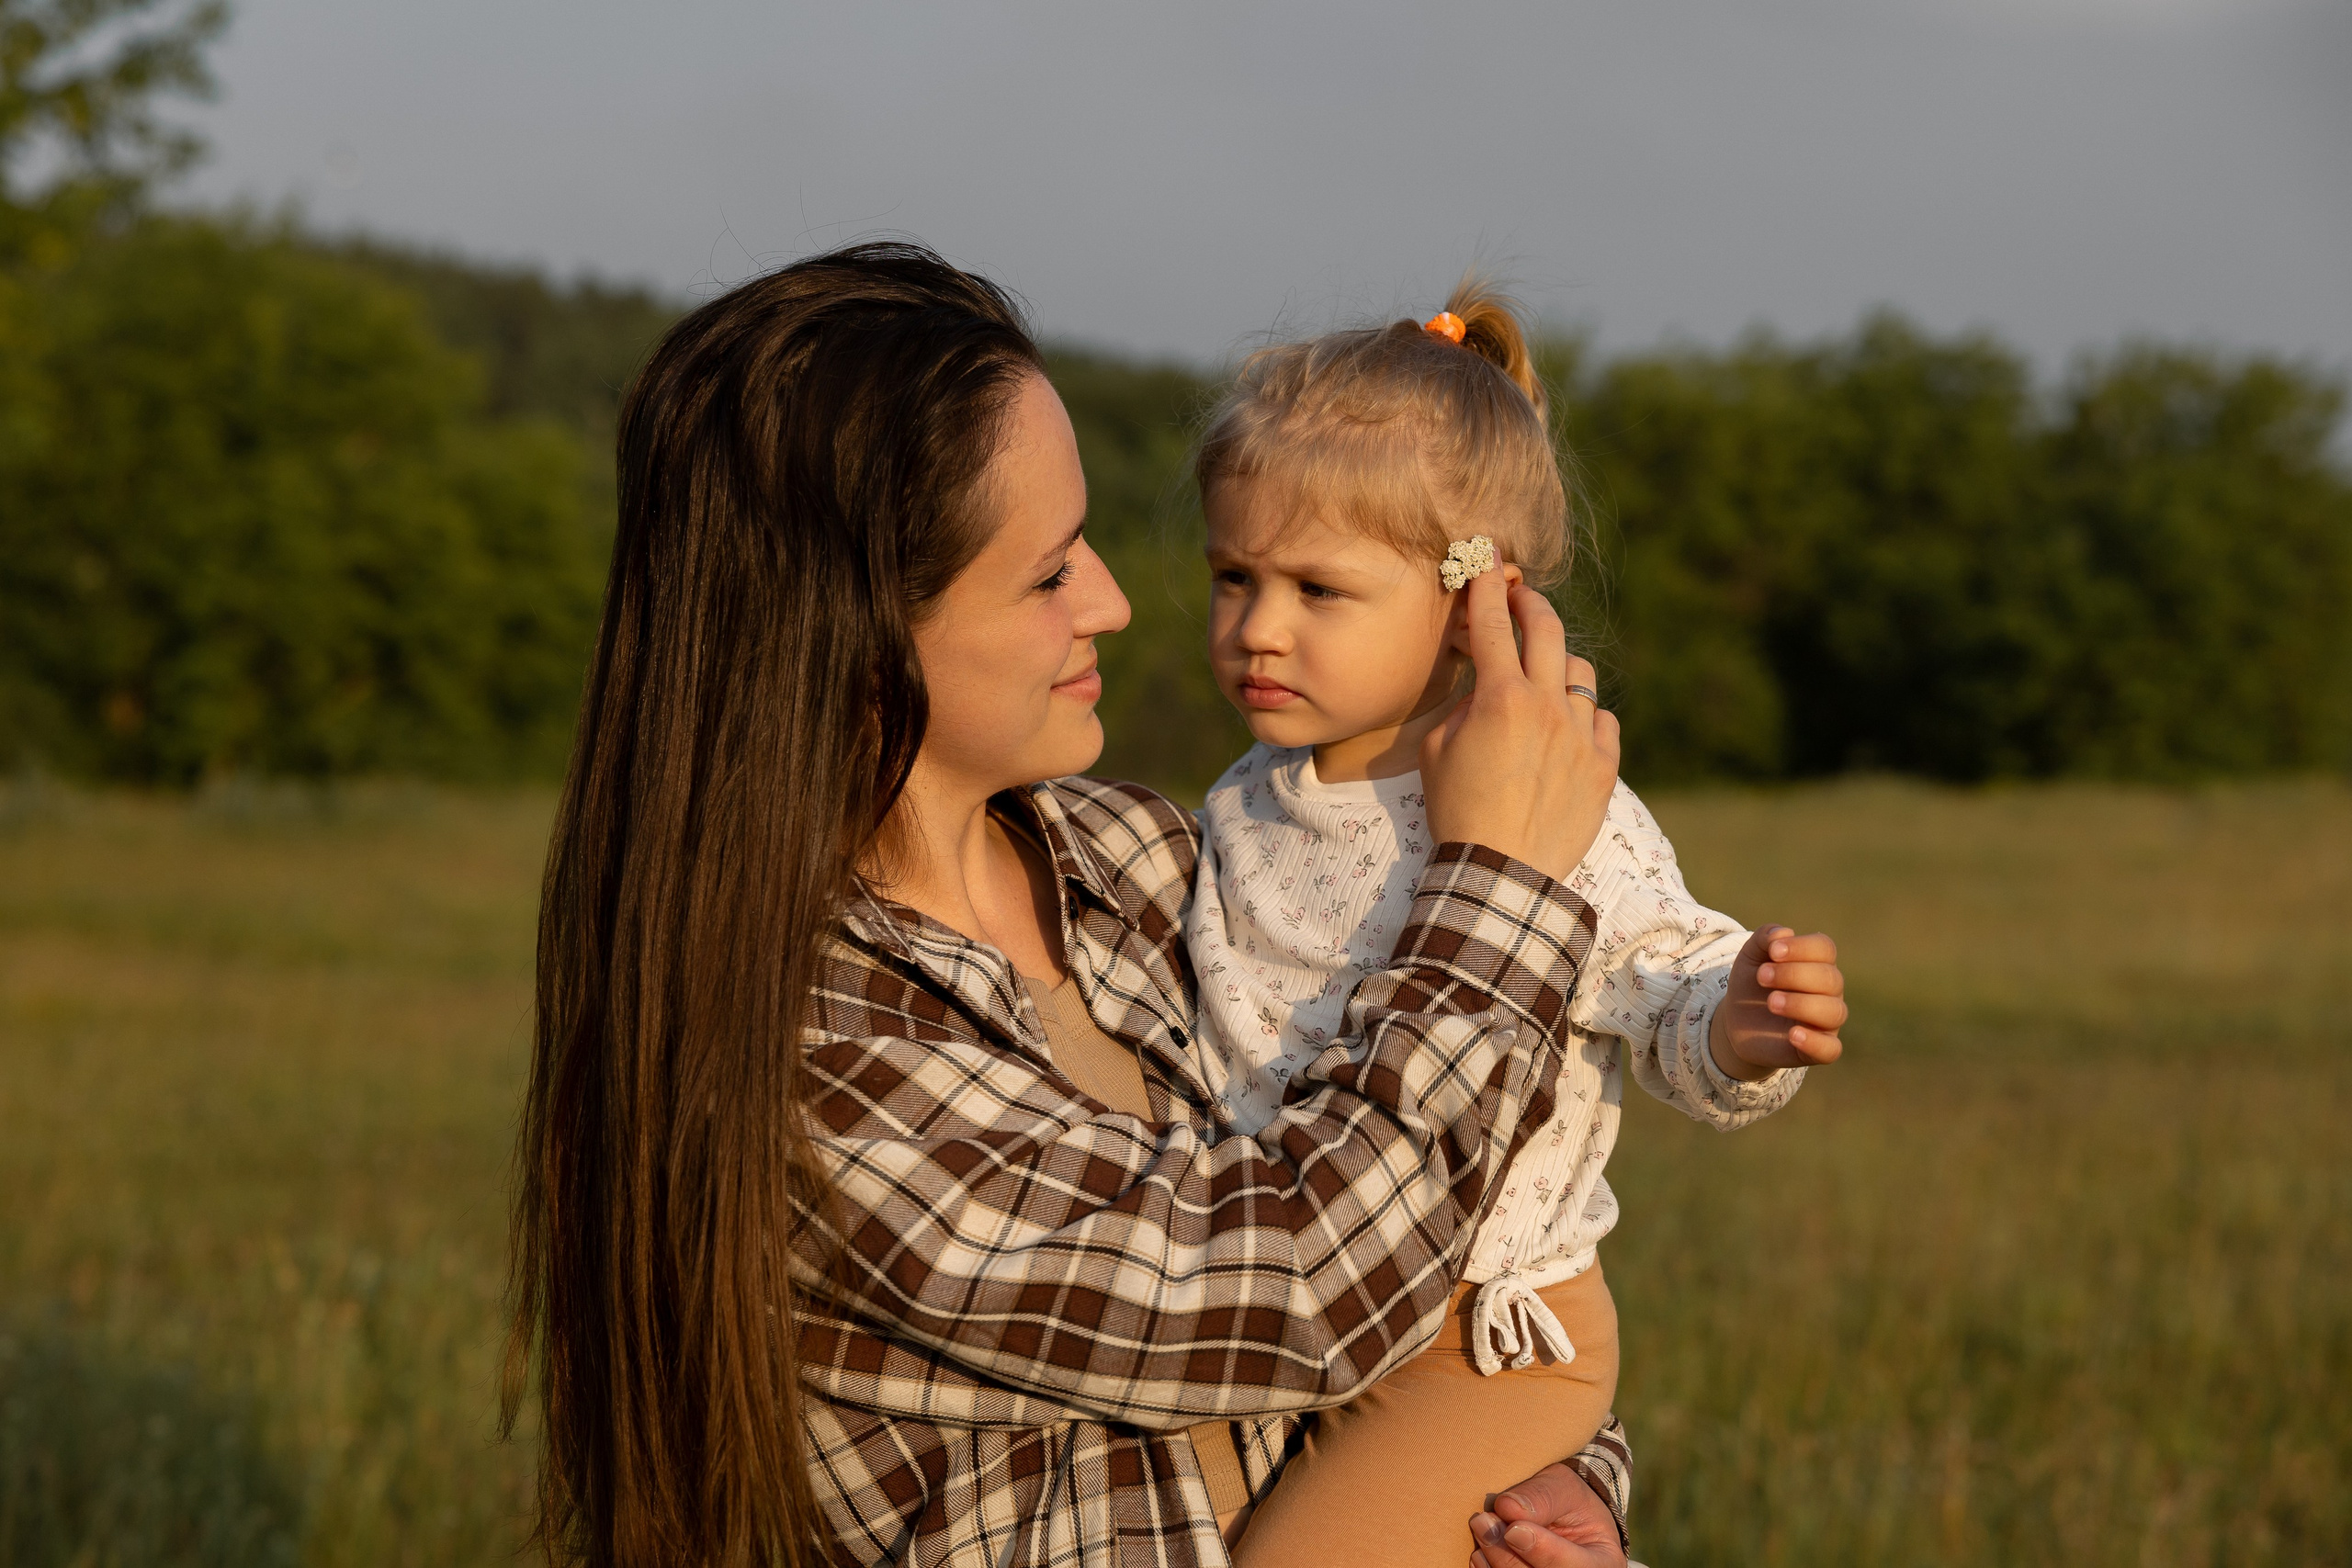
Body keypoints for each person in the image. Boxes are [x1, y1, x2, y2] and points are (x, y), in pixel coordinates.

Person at [507, 241, 1643, 1568]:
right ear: (854, 633)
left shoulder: (1145, 862)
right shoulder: (808, 1068)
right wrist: (1494, 884)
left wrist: (1556, 1468)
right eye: (1047, 574)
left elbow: (1469, 1217)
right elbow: (1297, 1292)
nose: (1111, 599)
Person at [1175, 282, 1849, 1568]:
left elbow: (1665, 988)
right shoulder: (1243, 800)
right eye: (1232, 576)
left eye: (1318, 589)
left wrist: (1741, 1021)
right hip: (1278, 1294)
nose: (1257, 628)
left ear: (1481, 597)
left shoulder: (1541, 794)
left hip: (1476, 1342)